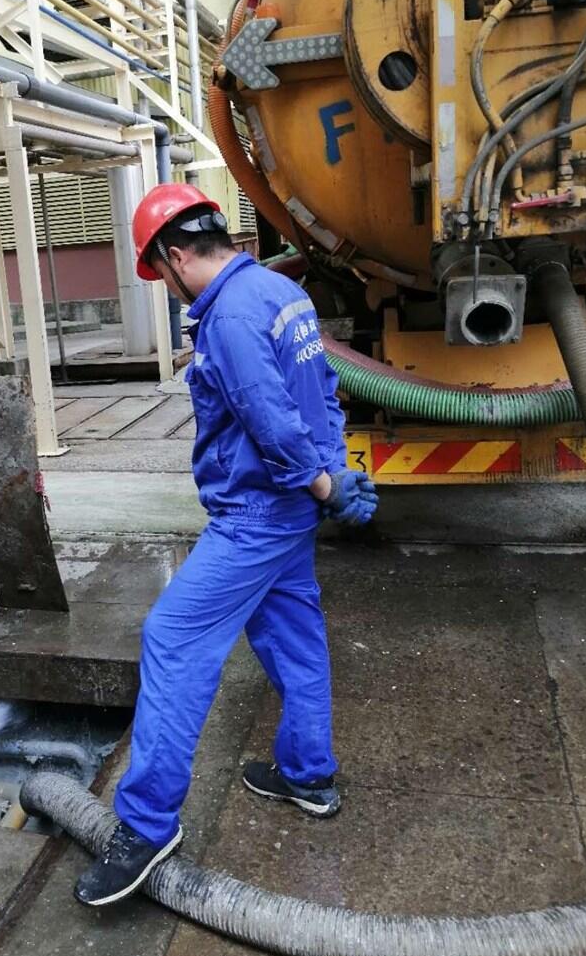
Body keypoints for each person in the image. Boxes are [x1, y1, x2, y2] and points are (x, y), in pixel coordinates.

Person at [74, 184, 377, 907]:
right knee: (294, 638)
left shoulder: (230, 318)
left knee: (172, 637)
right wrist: (332, 470)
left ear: (176, 256)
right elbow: (323, 389)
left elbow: (271, 420)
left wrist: (321, 484)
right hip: (291, 514)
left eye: (162, 274)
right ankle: (308, 775)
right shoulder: (280, 293)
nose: (168, 289)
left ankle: (146, 828)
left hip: (257, 516)